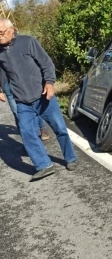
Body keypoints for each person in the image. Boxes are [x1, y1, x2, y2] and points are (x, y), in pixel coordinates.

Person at [0, 18, 78, 181]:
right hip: (22, 101)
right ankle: (44, 165)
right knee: (27, 133)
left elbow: (46, 63)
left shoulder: (28, 42)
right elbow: (2, 72)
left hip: (43, 97)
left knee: (60, 129)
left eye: (1, 33)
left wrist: (49, 83)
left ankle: (70, 158)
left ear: (11, 30)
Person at [0, 69, 49, 141]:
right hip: (7, 85)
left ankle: (42, 129)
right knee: (17, 113)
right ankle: (26, 137)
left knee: (33, 106)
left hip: (22, 82)